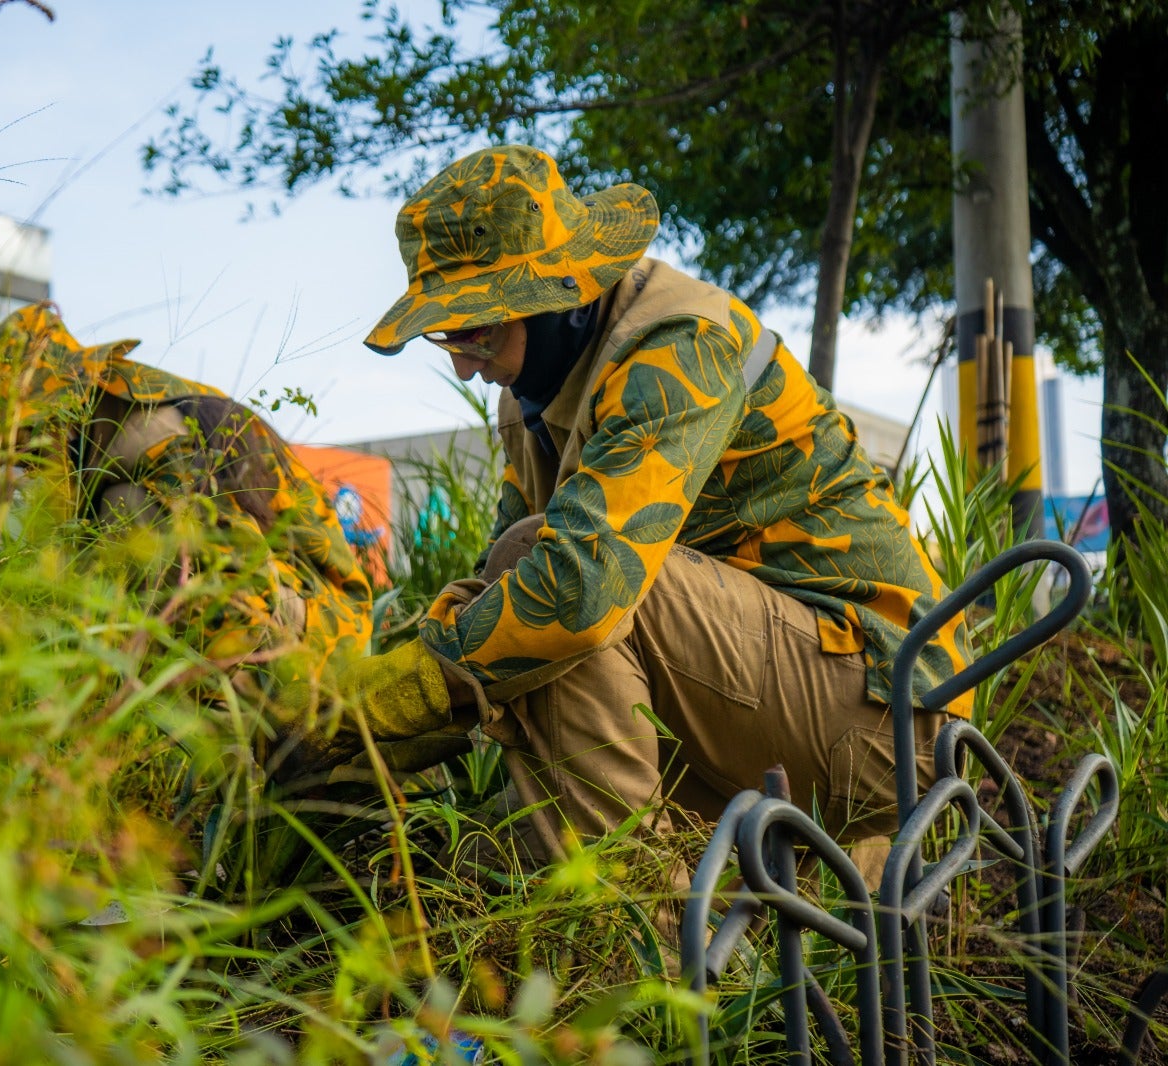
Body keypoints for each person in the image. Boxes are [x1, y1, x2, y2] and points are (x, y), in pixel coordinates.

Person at [275, 144, 973, 876]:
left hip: (887, 719)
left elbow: (575, 591)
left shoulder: (677, 348)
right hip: (767, 705)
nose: (461, 361)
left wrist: (403, 690)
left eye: (476, 328)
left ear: (563, 292)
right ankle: (666, 916)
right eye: (445, 333)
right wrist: (365, 718)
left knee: (550, 574)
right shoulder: (532, 403)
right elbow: (498, 606)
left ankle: (629, 945)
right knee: (518, 596)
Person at [0, 302, 375, 693]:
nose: (26, 461)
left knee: (127, 509)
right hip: (276, 614)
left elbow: (238, 590)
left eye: (25, 441)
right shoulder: (98, 434)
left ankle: (235, 749)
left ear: (61, 406)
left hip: (326, 631)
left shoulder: (157, 431)